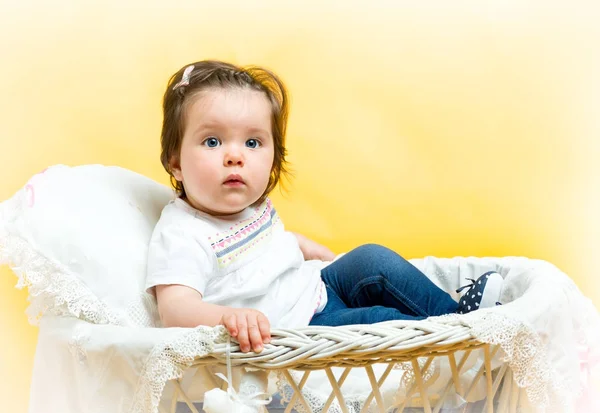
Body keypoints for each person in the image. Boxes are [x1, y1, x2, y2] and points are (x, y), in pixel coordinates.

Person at [145, 60, 503, 354]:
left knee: (371, 259)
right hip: (297, 329)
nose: (235, 156)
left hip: (317, 286)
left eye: (253, 142)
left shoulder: (252, 207)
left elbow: (260, 243)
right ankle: (460, 348)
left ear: (273, 158)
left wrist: (301, 245)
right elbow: (175, 308)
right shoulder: (182, 232)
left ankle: (456, 317)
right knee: (379, 320)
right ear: (175, 161)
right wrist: (227, 317)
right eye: (212, 141)